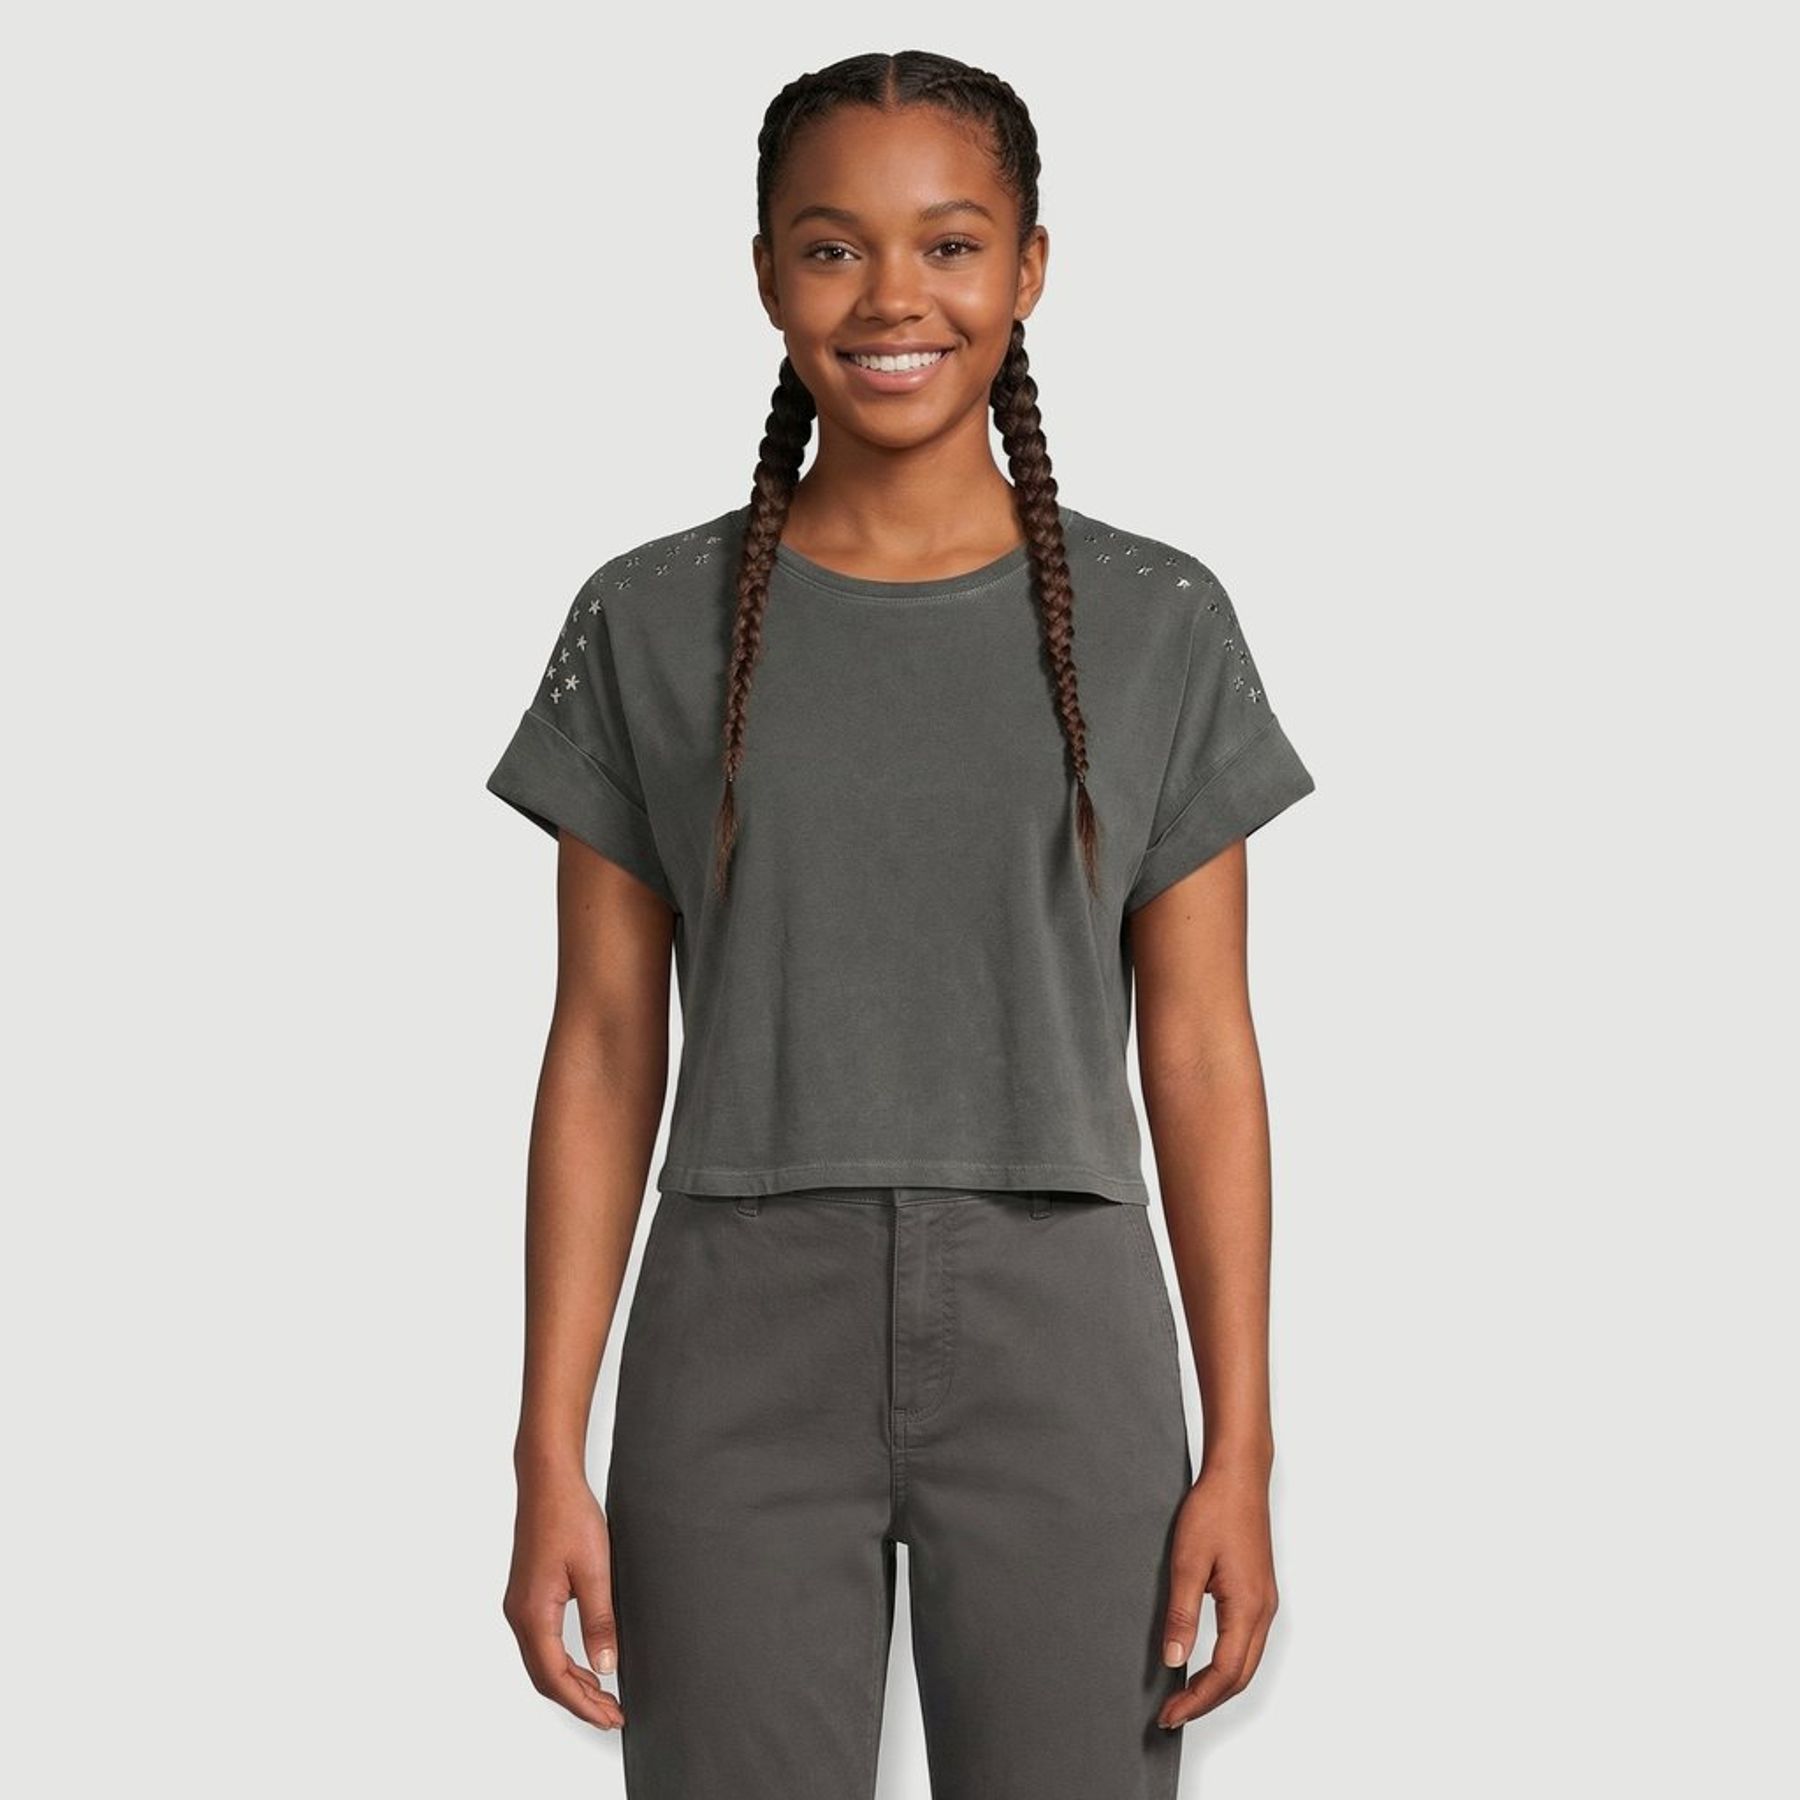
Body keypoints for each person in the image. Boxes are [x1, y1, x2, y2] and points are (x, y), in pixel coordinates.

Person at [487, 49, 1316, 1800]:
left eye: (949, 244)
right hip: (734, 1329)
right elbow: (607, 1046)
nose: (891, 300)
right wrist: (546, 1449)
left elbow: (1199, 1049)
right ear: (765, 274)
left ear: (1030, 267)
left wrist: (1241, 1448)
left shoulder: (1160, 621)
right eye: (831, 247)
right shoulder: (646, 620)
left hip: (1064, 1325)